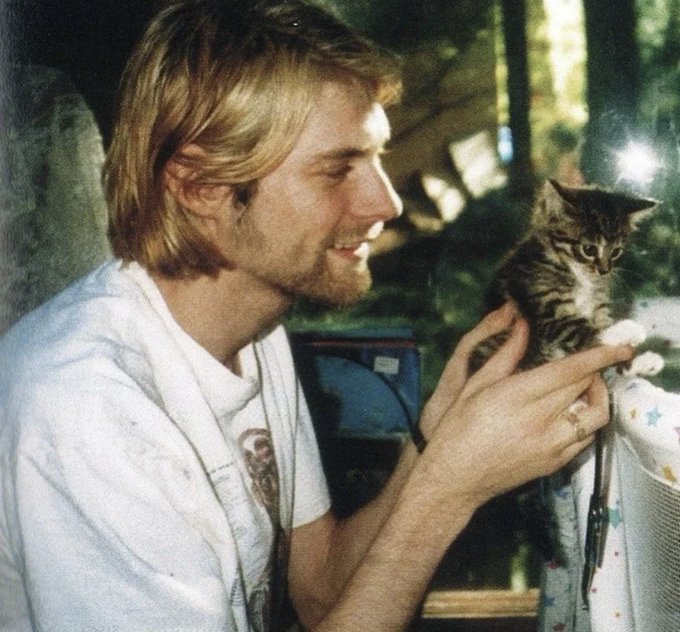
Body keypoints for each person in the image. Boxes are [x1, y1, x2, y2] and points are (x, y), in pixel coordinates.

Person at [0, 1, 633, 631]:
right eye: (338, 170)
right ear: (201, 189)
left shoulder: (257, 332)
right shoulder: (87, 408)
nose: (386, 202)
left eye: (377, 157)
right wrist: (448, 489)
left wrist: (438, 438)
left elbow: (324, 590)